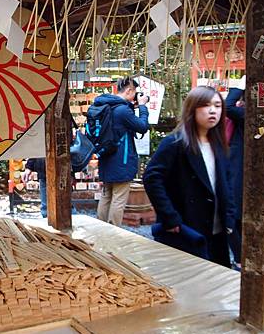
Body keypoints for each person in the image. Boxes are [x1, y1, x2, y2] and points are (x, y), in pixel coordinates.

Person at [143, 86, 235, 267]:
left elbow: (226, 183)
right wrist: (170, 217)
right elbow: (152, 178)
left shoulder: (219, 145)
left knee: (217, 281)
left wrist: (230, 217)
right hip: (187, 228)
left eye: (217, 106)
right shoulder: (175, 143)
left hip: (217, 230)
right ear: (192, 109)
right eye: (206, 105)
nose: (213, 111)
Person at [96, 76, 150, 226]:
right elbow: (142, 126)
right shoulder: (122, 110)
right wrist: (143, 107)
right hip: (121, 160)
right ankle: (113, 233)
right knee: (119, 198)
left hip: (106, 158)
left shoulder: (106, 106)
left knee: (106, 195)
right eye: (135, 92)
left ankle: (100, 230)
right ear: (129, 90)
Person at [225, 85, 245, 269]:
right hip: (240, 168)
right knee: (235, 214)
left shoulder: (247, 113)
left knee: (232, 213)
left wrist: (237, 87)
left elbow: (228, 106)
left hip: (238, 167)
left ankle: (239, 257)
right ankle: (240, 256)